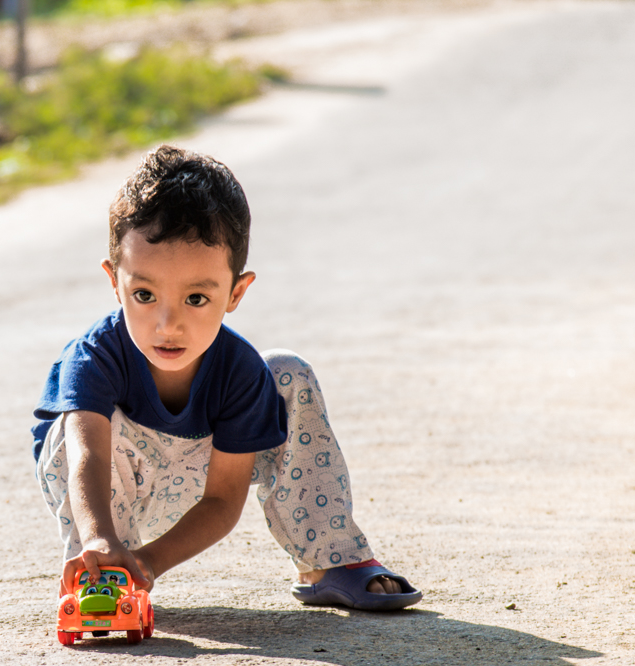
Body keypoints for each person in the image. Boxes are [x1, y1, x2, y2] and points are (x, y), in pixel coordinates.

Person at [32, 145, 421, 611]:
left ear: (236, 292)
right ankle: (101, 578)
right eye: (143, 294)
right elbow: (87, 457)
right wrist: (98, 538)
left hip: (201, 477)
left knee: (286, 373)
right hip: (108, 491)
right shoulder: (94, 357)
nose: (167, 324)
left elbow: (221, 501)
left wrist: (150, 562)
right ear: (114, 281)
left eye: (195, 298)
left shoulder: (240, 372)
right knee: (70, 429)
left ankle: (329, 561)